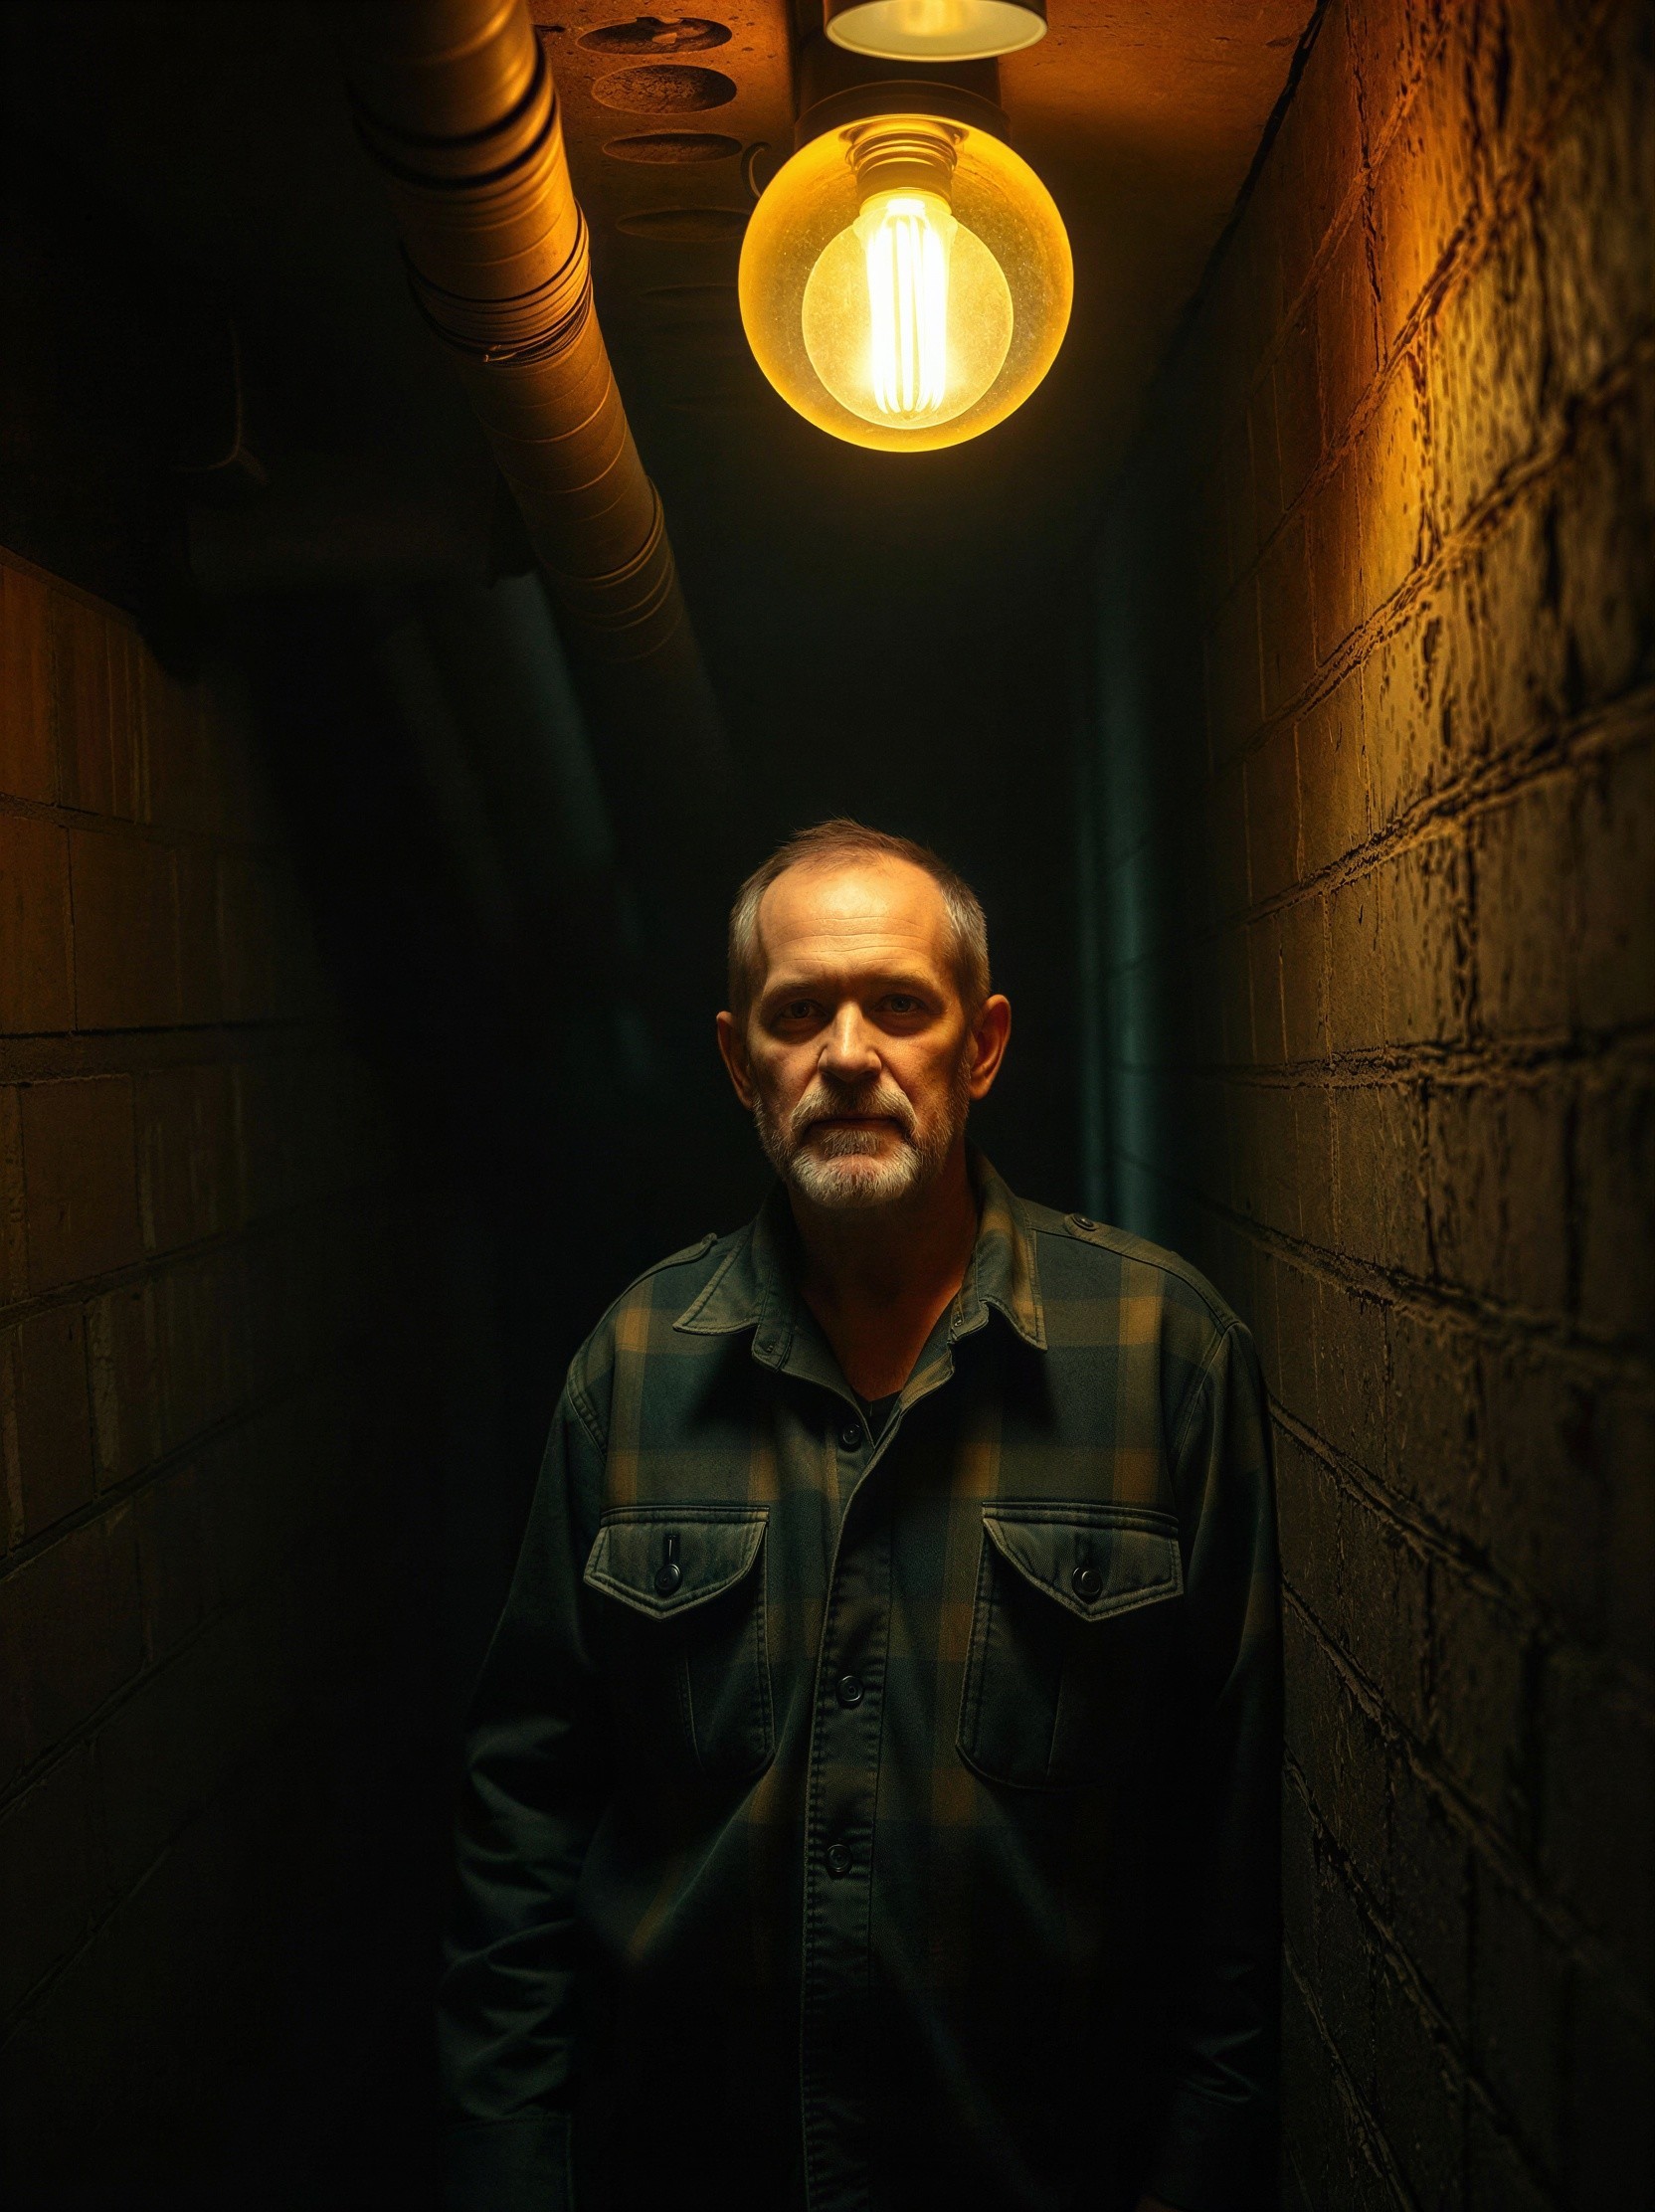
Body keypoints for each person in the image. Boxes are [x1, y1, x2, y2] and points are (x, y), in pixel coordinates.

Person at [438, 821, 1281, 2212]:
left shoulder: (1165, 1358)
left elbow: (1232, 1899)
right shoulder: (632, 1366)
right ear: (737, 1063)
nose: (846, 1052)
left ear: (984, 1045)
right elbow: (519, 1833)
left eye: (900, 1005)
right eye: (797, 1013)